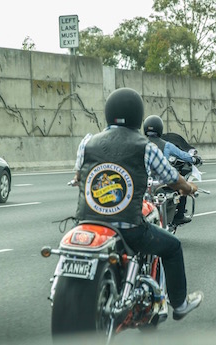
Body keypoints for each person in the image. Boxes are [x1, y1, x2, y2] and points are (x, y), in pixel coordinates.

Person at [73, 87, 203, 321]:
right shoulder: (145, 147)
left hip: (86, 223)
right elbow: (172, 178)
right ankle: (180, 305)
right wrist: (188, 188)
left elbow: (78, 175)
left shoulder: (87, 142)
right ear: (137, 116)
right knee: (172, 248)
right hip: (128, 228)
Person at [143, 114, 202, 225]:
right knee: (182, 185)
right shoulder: (167, 145)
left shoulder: (139, 143)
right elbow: (183, 155)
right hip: (161, 183)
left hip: (143, 184)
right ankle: (180, 215)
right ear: (160, 129)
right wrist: (195, 160)